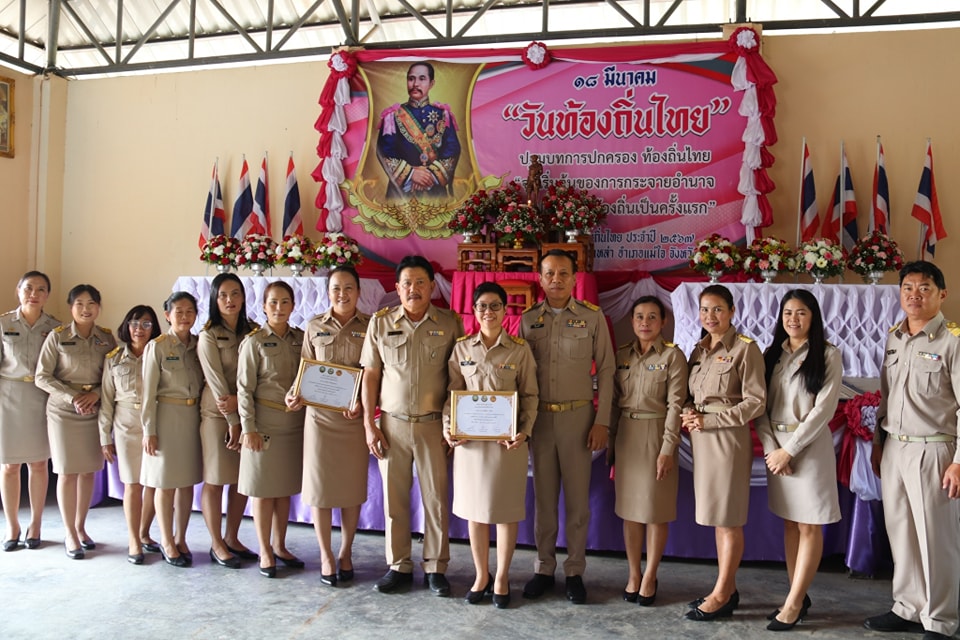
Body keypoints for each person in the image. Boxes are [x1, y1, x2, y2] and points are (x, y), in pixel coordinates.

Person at [865, 261, 960, 640]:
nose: (914, 295)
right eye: (907, 287)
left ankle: (941, 618)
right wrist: (878, 442)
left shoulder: (952, 341)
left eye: (924, 288)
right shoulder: (895, 337)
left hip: (934, 451)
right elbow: (888, 398)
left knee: (935, 539)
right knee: (901, 533)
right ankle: (908, 607)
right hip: (895, 449)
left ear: (942, 294)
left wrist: (958, 461)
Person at [360, 255, 464, 596]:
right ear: (397, 287)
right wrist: (368, 423)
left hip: (434, 424)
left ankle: (436, 566)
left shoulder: (449, 323)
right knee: (395, 500)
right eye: (407, 283)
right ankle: (399, 565)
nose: (413, 289)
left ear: (433, 286)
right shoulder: (380, 323)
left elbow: (457, 379)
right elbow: (371, 374)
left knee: (435, 499)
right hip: (392, 424)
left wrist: (452, 424)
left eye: (420, 282)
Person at [519, 248, 615, 604]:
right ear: (540, 278)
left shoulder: (592, 317)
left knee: (577, 503)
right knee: (544, 502)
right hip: (541, 420)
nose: (556, 280)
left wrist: (602, 420)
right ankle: (544, 568)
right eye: (549, 273)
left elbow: (606, 370)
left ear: (575, 278)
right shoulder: (529, 320)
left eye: (563, 273)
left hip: (579, 420)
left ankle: (575, 570)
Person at [443, 282, 538, 609]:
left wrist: (523, 431)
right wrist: (449, 428)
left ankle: (501, 576)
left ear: (504, 309)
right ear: (474, 310)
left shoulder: (519, 349)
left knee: (505, 510)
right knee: (475, 511)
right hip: (470, 445)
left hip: (506, 445)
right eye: (482, 306)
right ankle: (481, 574)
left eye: (495, 306)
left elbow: (530, 396)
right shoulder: (461, 349)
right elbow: (451, 395)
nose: (488, 312)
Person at [755, 289, 841, 631]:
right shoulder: (771, 354)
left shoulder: (828, 354)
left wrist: (790, 450)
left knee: (809, 524)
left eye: (801, 312)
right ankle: (797, 595)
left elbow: (824, 409)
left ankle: (792, 604)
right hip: (775, 450)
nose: (793, 319)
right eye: (787, 312)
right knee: (790, 523)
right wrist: (771, 449)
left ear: (813, 317)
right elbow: (759, 407)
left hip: (807, 450)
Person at [681, 284, 765, 620]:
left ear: (731, 312)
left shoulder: (746, 349)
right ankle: (725, 588)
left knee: (728, 519)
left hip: (727, 439)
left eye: (717, 309)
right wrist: (689, 411)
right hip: (701, 439)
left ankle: (721, 592)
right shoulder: (698, 350)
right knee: (717, 517)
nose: (710, 316)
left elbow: (756, 402)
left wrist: (709, 420)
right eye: (704, 310)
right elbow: (692, 392)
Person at [286, 266, 370, 587]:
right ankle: (325, 554)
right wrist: (295, 394)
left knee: (350, 492)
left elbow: (374, 372)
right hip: (320, 420)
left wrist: (363, 403)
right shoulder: (314, 326)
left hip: (352, 420)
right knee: (320, 492)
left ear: (358, 292)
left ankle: (346, 551)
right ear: (328, 292)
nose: (342, 294)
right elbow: (304, 370)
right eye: (336, 288)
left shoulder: (370, 326)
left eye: (349, 288)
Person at [610, 295, 687, 607]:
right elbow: (615, 404)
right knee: (630, 512)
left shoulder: (673, 356)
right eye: (639, 317)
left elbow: (675, 405)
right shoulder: (622, 355)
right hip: (627, 437)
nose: (645, 323)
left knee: (656, 512)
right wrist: (612, 445)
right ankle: (633, 573)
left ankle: (651, 574)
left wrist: (668, 448)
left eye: (652, 317)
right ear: (631, 321)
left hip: (657, 436)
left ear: (663, 322)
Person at [34, 284, 117, 560]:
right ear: (71, 307)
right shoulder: (57, 337)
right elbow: (42, 376)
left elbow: (112, 375)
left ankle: (81, 527)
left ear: (99, 307)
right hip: (63, 412)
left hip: (94, 409)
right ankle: (69, 533)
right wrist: (72, 397)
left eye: (91, 303)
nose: (85, 309)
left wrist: (94, 395)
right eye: (79, 303)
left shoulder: (107, 338)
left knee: (88, 471)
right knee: (67, 472)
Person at [237, 281, 306, 579]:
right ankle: (265, 549)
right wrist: (247, 427)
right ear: (263, 306)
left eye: (285, 302)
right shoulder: (253, 342)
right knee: (263, 492)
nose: (279, 308)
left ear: (293, 306)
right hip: (263, 425)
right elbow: (243, 389)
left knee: (283, 491)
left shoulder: (301, 339)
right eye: (273, 302)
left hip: (293, 425)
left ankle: (280, 545)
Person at [197, 273, 258, 568]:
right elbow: (218, 384)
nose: (230, 300)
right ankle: (216, 543)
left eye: (235, 294)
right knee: (216, 477)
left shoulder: (254, 331)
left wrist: (245, 415)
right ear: (214, 299)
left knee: (239, 479)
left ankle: (232, 537)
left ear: (244, 297)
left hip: (247, 414)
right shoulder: (208, 334)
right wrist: (235, 420)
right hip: (218, 415)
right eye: (223, 295)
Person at [140, 291, 204, 568]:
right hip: (166, 416)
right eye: (178, 311)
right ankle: (166, 540)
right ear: (167, 315)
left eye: (190, 311)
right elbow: (148, 393)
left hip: (192, 417)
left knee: (187, 482)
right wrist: (149, 430)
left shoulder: (199, 344)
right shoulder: (158, 346)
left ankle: (181, 537)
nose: (185, 316)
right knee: (165, 484)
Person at [0, 272, 60, 551]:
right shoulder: (3, 324)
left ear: (47, 295)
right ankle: (12, 526)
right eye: (28, 288)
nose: (33, 293)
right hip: (9, 397)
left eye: (40, 289)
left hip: (41, 397)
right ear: (18, 291)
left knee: (38, 463)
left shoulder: (56, 328)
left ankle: (36, 524)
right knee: (9, 466)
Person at [99, 305, 163, 564]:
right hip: (126, 425)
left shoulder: (160, 353)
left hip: (156, 425)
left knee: (153, 483)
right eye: (135, 323)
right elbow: (106, 401)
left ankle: (145, 533)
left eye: (147, 324)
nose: (140, 329)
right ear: (127, 326)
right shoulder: (113, 358)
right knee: (132, 484)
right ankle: (133, 540)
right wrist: (105, 437)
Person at [376, 61, 461, 201]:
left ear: (431, 83)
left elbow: (452, 150)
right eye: (411, 78)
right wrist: (411, 174)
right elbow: (384, 152)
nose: (415, 84)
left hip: (435, 191)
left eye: (422, 79)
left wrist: (430, 176)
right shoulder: (393, 116)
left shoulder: (443, 115)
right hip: (401, 196)